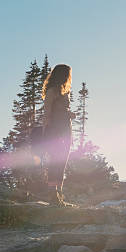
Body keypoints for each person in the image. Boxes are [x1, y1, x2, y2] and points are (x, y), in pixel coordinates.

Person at [42, 64, 74, 206]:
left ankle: (59, 193)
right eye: (67, 74)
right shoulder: (52, 91)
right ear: (62, 75)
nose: (69, 77)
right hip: (54, 129)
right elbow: (47, 112)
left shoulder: (65, 92)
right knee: (55, 159)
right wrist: (46, 130)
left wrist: (69, 114)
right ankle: (52, 193)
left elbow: (62, 110)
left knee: (63, 160)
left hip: (66, 128)